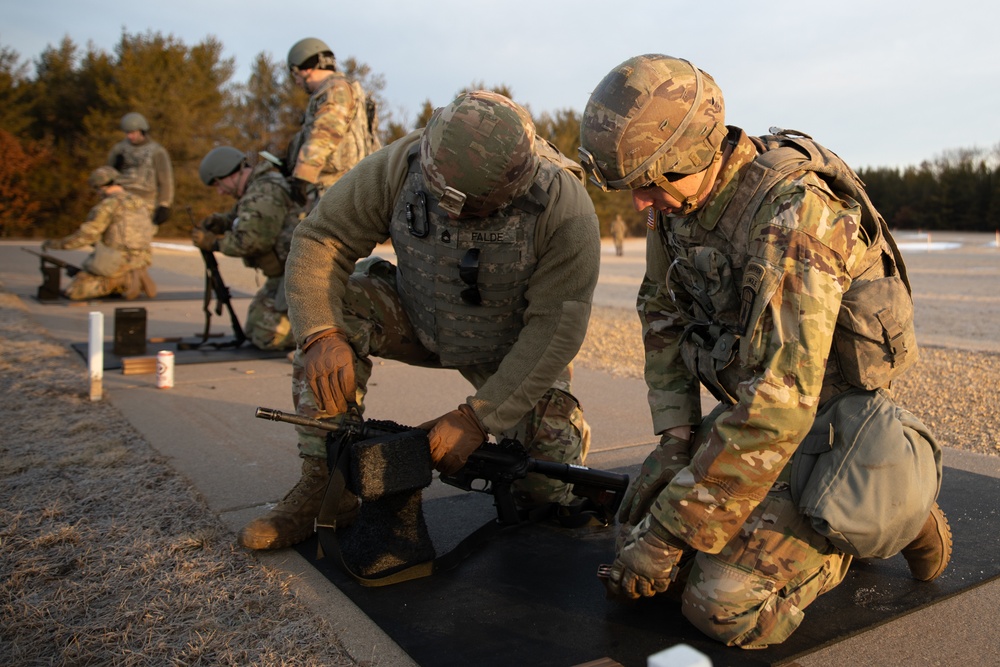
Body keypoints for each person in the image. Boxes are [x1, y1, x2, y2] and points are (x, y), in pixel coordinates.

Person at [578, 54, 951, 648]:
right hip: (754, 409)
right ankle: (843, 506)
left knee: (718, 606)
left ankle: (890, 509)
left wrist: (673, 531)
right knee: (632, 543)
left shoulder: (796, 216)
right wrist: (675, 442)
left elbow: (784, 402)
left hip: (828, 423)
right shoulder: (676, 203)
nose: (639, 205)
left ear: (694, 155)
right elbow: (662, 314)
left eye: (648, 186)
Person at [237, 90, 601, 551]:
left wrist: (478, 417)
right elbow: (320, 238)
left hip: (506, 349)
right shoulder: (399, 164)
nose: (451, 216)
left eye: (470, 209)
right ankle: (326, 484)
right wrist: (320, 333)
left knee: (543, 494)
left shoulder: (565, 209)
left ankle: (558, 443)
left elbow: (555, 328)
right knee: (335, 315)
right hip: (415, 316)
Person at [192, 147, 301, 350]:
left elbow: (253, 241)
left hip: (298, 275)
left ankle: (324, 335)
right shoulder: (257, 189)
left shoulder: (264, 190)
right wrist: (221, 222)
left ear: (232, 174)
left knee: (267, 337)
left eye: (219, 183)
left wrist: (213, 243)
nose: (220, 191)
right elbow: (245, 218)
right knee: (253, 329)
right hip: (285, 275)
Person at [284, 37, 380, 211]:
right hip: (345, 189)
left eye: (295, 75)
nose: (296, 82)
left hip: (338, 191)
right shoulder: (342, 89)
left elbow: (327, 131)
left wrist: (303, 174)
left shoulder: (336, 89)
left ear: (306, 69)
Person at [41, 166, 156, 300]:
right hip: (142, 259)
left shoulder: (107, 205)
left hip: (117, 260)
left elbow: (85, 237)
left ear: (100, 187)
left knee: (74, 291)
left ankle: (123, 280)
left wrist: (56, 244)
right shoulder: (141, 203)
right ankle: (133, 276)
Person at [107, 112, 174, 226]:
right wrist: (113, 170)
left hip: (146, 202)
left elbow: (165, 180)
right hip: (120, 198)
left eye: (133, 133)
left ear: (142, 131)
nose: (130, 136)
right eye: (127, 133)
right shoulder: (119, 149)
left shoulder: (157, 151)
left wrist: (164, 204)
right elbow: (106, 175)